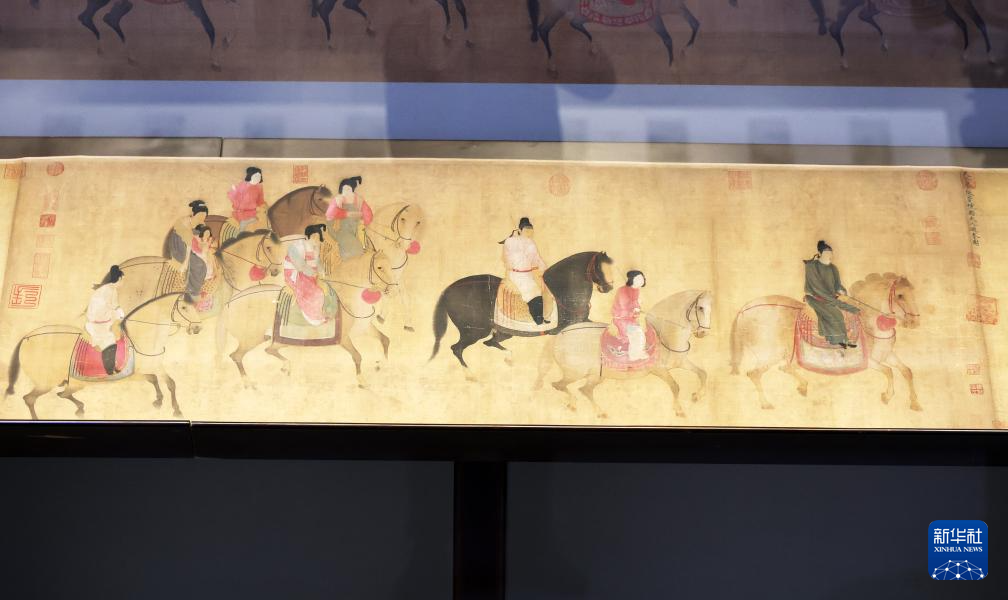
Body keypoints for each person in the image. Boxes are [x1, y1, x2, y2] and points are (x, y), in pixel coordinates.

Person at [804, 240, 860, 348]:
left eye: (831, 253)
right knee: (834, 313)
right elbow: (816, 288)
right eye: (826, 253)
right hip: (815, 297)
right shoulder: (811, 266)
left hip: (829, 298)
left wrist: (842, 290)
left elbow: (837, 285)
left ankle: (844, 340)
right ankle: (836, 340)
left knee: (838, 314)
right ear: (820, 253)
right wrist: (838, 302)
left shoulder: (833, 268)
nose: (829, 256)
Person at [500, 217, 549, 325]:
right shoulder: (511, 241)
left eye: (530, 230)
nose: (528, 232)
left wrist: (544, 268)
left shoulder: (531, 242)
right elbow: (505, 258)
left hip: (528, 273)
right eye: (526, 230)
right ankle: (538, 320)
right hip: (517, 274)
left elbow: (537, 258)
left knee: (539, 290)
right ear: (520, 230)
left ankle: (540, 317)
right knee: (533, 293)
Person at [283, 224, 330, 326]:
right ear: (309, 236)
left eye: (318, 237)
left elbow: (317, 261)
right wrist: (311, 272)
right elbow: (300, 265)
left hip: (307, 273)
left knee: (319, 290)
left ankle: (318, 313)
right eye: (314, 237)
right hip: (294, 272)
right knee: (316, 293)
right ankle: (313, 316)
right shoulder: (297, 246)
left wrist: (321, 270)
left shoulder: (314, 246)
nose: (316, 240)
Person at [86, 265, 127, 376]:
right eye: (123, 280)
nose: (123, 283)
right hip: (99, 323)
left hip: (98, 321)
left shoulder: (107, 288)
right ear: (119, 279)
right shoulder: (111, 290)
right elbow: (114, 306)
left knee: (110, 344)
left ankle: (111, 368)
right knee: (110, 345)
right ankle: (110, 371)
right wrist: (122, 317)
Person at [168, 200, 209, 303]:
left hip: (190, 247)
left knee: (203, 263)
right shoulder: (185, 222)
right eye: (200, 215)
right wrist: (186, 261)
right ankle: (193, 292)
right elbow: (188, 243)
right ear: (194, 213)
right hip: (179, 246)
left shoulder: (199, 223)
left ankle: (196, 288)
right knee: (199, 264)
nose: (202, 218)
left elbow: (199, 238)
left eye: (204, 216)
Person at [325, 176, 373, 259]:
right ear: (341, 190)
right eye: (345, 189)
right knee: (356, 250)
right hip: (343, 232)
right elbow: (329, 214)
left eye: (349, 189)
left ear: (352, 190)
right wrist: (347, 214)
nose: (347, 192)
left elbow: (368, 213)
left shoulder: (358, 200)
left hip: (356, 230)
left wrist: (364, 220)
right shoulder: (338, 199)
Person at [612, 270, 649, 361]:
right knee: (637, 334)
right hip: (621, 318)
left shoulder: (636, 290)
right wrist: (637, 303)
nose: (641, 280)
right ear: (632, 279)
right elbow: (624, 306)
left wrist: (637, 308)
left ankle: (639, 353)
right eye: (638, 278)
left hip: (630, 318)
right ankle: (634, 355)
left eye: (642, 278)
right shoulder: (622, 290)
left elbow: (635, 308)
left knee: (641, 334)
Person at [228, 166, 267, 232]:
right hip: (242, 213)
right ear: (250, 176)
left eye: (259, 176)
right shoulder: (243, 185)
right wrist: (234, 191)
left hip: (254, 213)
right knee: (243, 229)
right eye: (256, 176)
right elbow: (234, 198)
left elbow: (260, 201)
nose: (258, 178)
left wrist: (264, 207)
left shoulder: (259, 187)